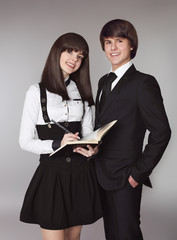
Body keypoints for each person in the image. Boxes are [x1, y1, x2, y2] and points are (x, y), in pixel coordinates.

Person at [75, 19, 171, 239]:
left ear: (132, 45)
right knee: (112, 233)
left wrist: (137, 174)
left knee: (127, 233)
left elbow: (162, 132)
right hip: (101, 172)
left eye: (119, 41)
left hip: (126, 175)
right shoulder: (103, 82)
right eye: (108, 42)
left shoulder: (143, 83)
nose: (113, 48)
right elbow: (103, 126)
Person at [19, 32, 102, 240]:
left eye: (80, 55)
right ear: (57, 51)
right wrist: (57, 142)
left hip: (80, 174)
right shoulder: (35, 92)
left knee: (74, 238)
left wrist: (93, 148)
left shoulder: (83, 92)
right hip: (52, 176)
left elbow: (89, 133)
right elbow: (24, 141)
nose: (75, 59)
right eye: (70, 51)